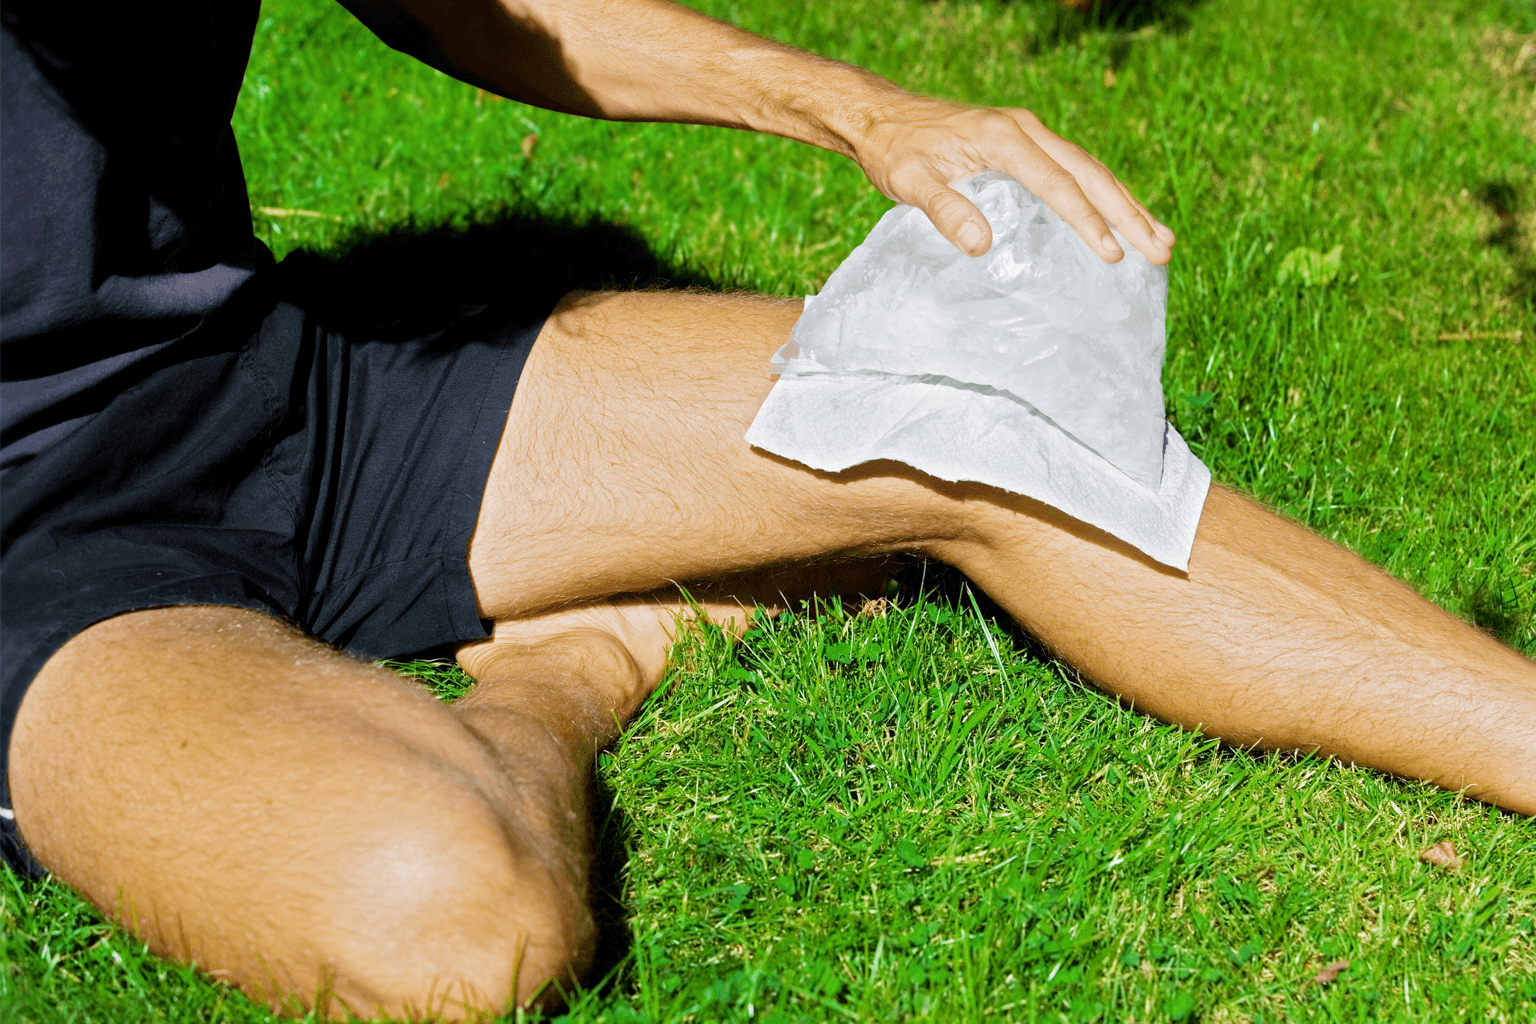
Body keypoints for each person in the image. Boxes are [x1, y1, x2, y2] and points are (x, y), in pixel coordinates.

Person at [2, 0, 1531, 1018]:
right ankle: (560, 669)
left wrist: (859, 108)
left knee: (974, 415)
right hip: (33, 549)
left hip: (271, 388)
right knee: (456, 927)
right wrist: (566, 684)